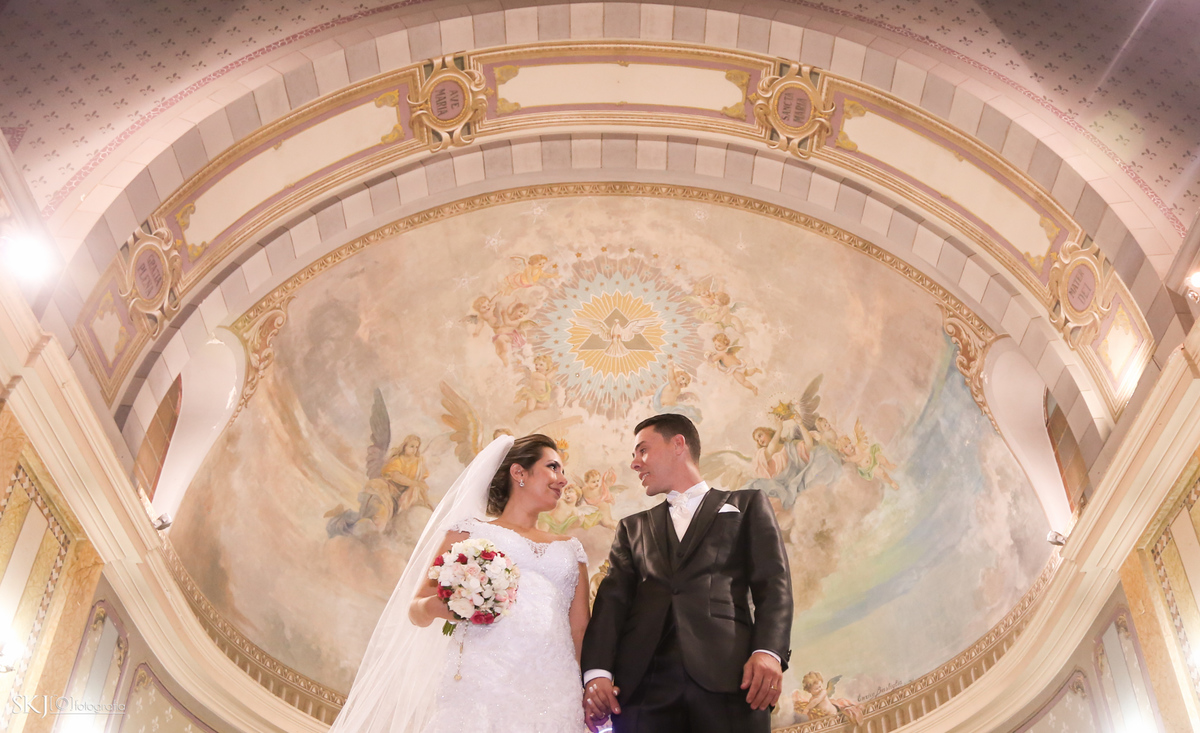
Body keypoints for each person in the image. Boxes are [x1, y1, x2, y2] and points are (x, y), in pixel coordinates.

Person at [327, 434, 592, 733]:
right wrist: (456, 605)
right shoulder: (469, 533)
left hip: (557, 693)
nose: (563, 480)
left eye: (563, 471)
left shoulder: (571, 549)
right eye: (553, 467)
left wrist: (585, 691)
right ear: (519, 473)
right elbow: (417, 608)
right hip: (481, 682)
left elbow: (580, 629)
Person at [581, 414, 793, 733]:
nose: (634, 464)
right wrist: (597, 672)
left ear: (678, 444)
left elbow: (774, 585)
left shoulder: (746, 504)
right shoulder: (631, 527)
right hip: (642, 690)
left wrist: (768, 651)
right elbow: (611, 604)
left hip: (730, 679)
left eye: (643, 451)